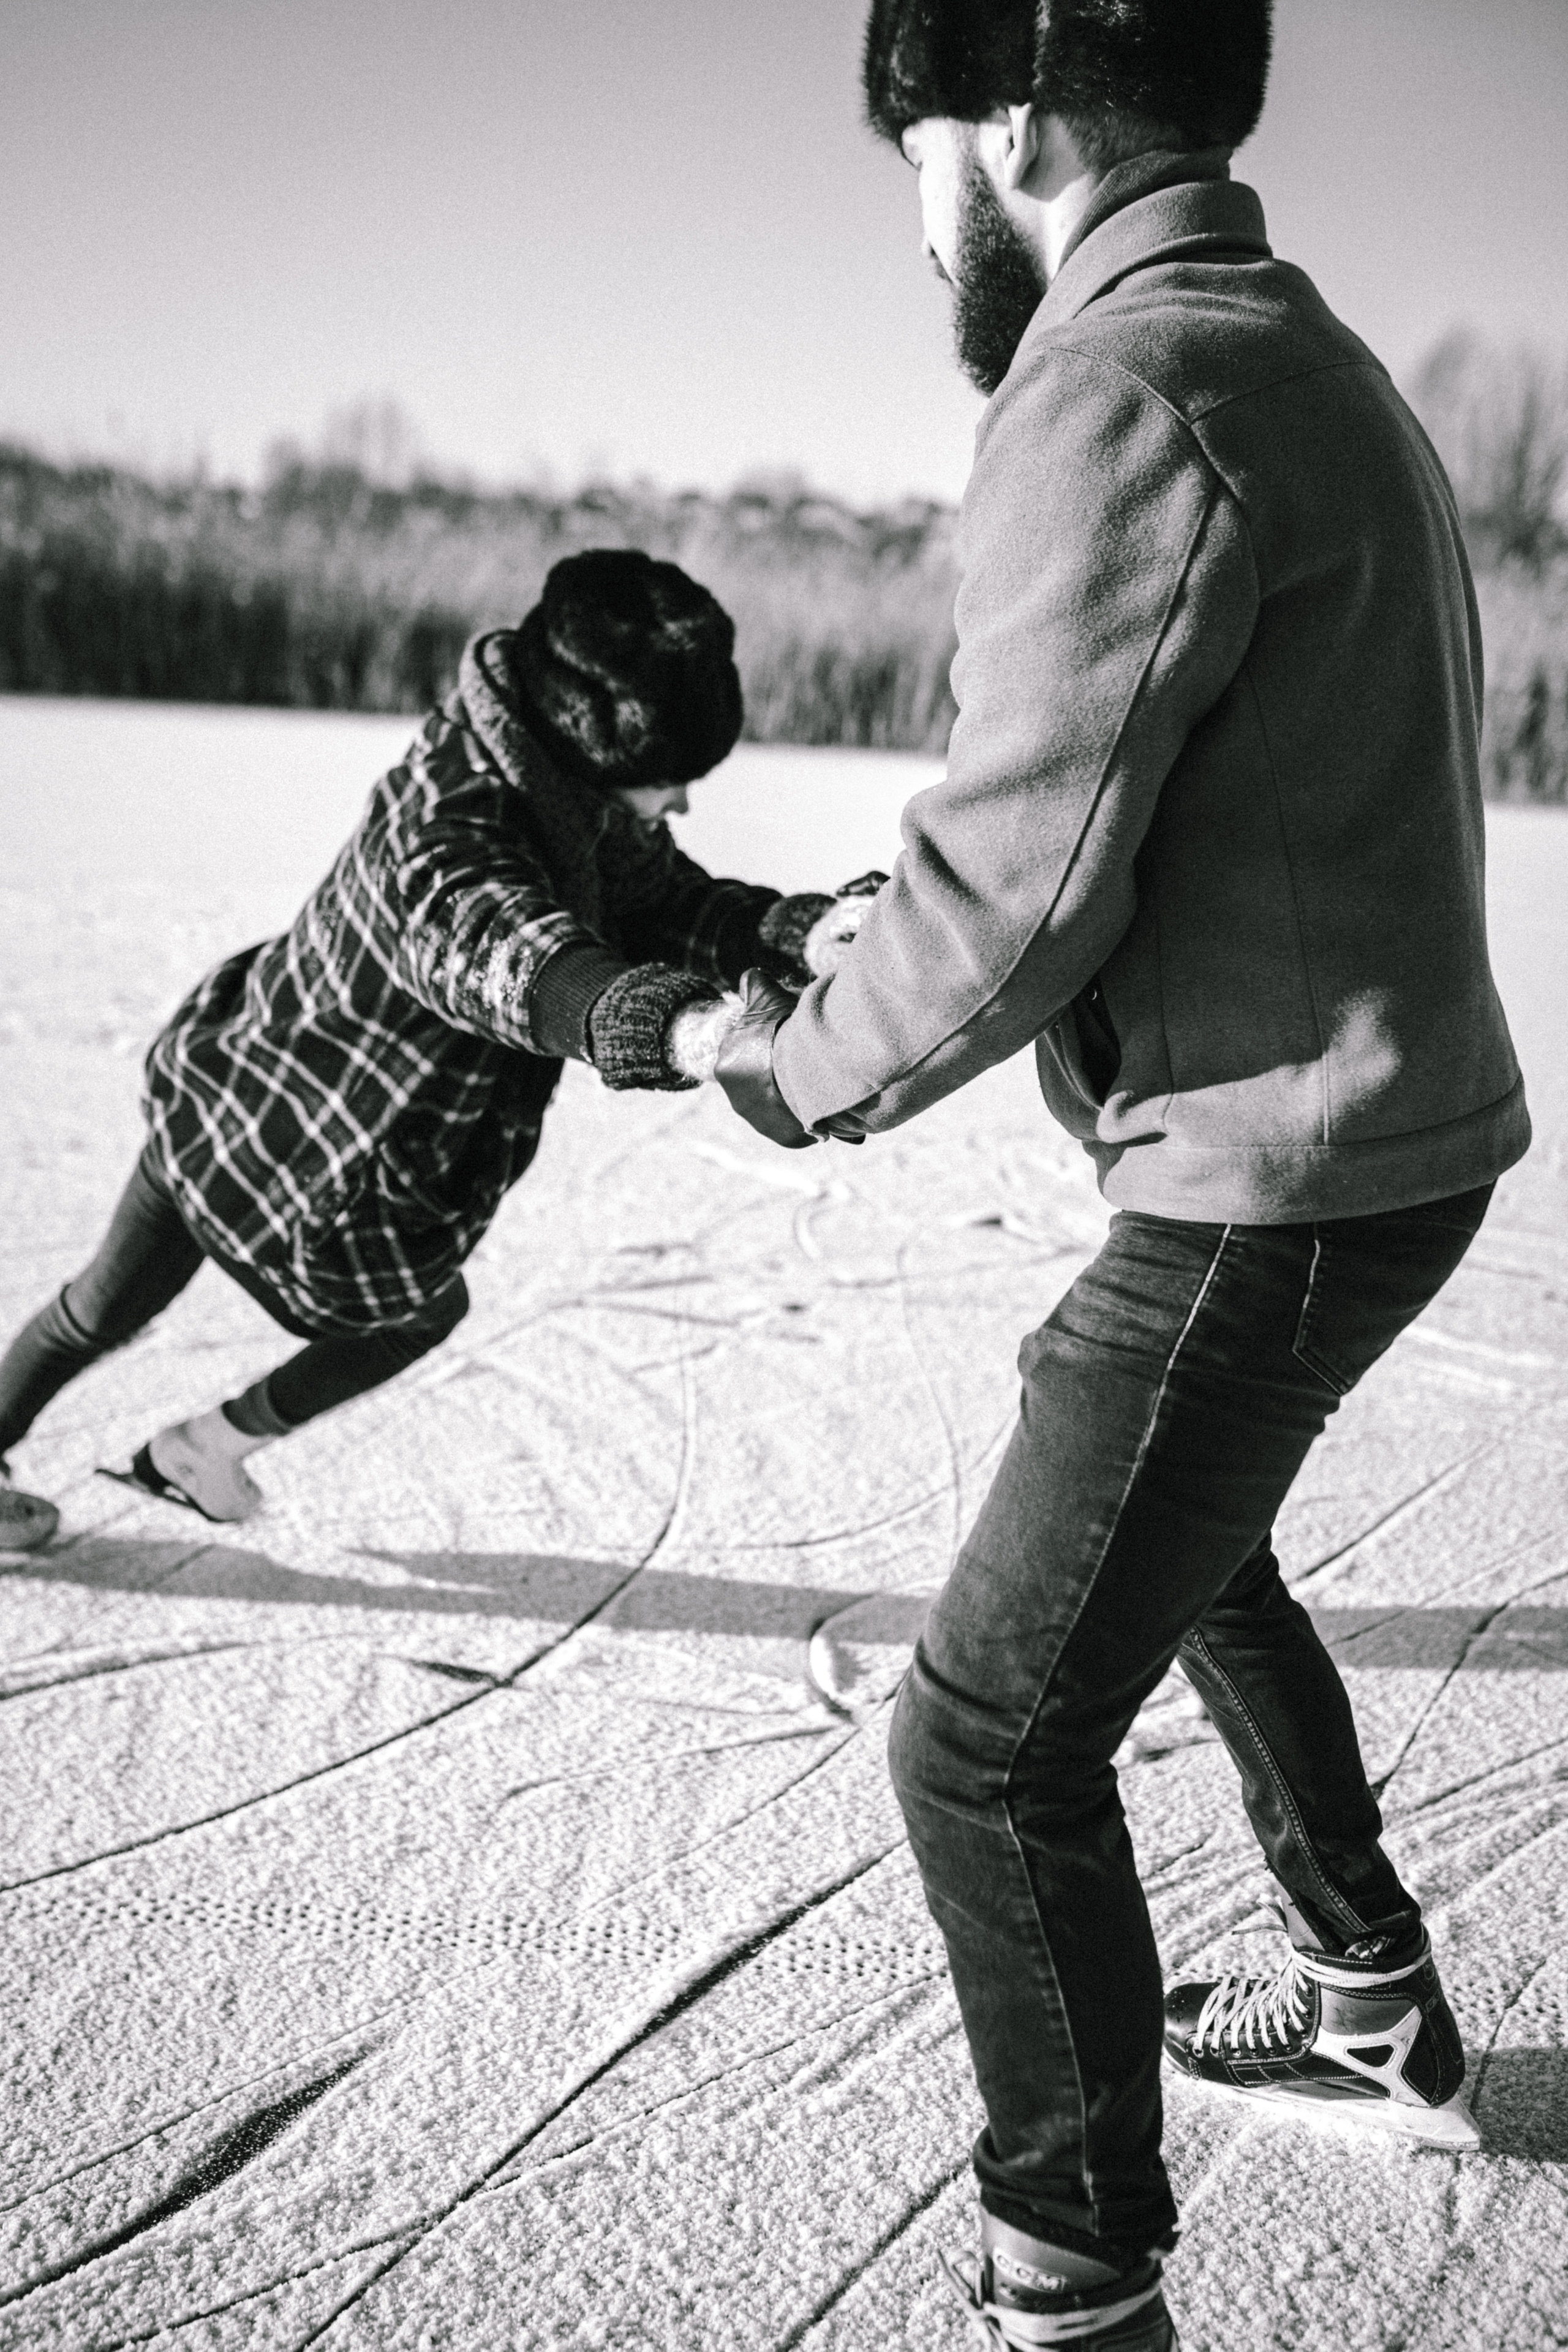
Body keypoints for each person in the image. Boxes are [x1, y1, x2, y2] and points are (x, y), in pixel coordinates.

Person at [713, 4, 1530, 2346]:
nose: (923, 212)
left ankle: (1072, 2283)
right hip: (1373, 1135)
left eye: (921, 150)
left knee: (983, 1742)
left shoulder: (1116, 384)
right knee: (1187, 1536)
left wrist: (797, 1064)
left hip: (1273, 1177)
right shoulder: (1303, 346)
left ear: (1024, 115)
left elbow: (1020, 876)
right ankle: (1367, 1986)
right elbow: (1159, 804)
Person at [0, 549, 878, 1547]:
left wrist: (806, 932)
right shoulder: (448, 837)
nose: (678, 805)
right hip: (315, 1162)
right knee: (421, 1312)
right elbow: (519, 965)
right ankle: (209, 1445)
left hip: (229, 1091)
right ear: (595, 745)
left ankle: (150, 1450)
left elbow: (662, 903)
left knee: (91, 1309)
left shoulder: (548, 778)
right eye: (666, 781)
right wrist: (702, 1033)